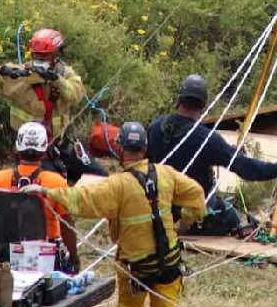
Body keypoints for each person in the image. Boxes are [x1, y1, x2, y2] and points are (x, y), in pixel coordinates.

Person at [21, 122, 205, 307]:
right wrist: (182, 225)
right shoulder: (166, 173)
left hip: (136, 270)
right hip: (169, 264)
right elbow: (197, 194)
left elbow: (82, 198)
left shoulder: (117, 185)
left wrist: (47, 192)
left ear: (120, 148)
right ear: (145, 148)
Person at [146, 74, 277, 233]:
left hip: (159, 208)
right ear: (203, 105)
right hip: (192, 212)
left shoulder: (155, 127)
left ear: (179, 100)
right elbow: (245, 168)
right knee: (233, 217)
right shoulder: (206, 139)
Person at [0, 28, 106, 181]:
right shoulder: (18, 76)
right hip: (30, 152)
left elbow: (74, 95)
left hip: (60, 145)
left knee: (101, 178)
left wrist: (56, 79)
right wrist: (1, 70)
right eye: (37, 55)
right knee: (50, 184)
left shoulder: (65, 75)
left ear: (57, 55)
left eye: (45, 56)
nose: (40, 59)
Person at [0, 122, 78, 272]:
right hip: (46, 257)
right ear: (44, 151)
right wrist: (74, 257)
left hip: (5, 256)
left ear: (17, 148)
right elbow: (66, 225)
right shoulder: (55, 181)